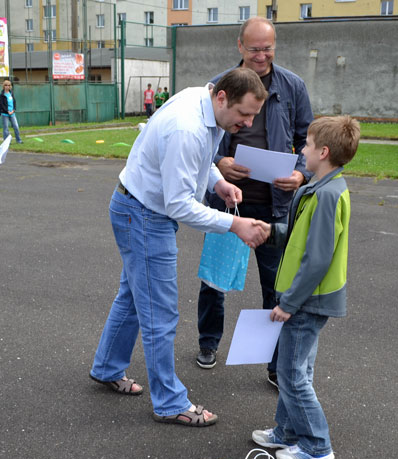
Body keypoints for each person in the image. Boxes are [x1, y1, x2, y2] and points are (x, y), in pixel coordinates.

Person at [90, 67, 270, 427]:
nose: (248, 123)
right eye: (244, 114)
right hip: (145, 216)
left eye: (253, 115)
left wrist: (217, 183)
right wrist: (235, 224)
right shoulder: (186, 127)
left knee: (133, 297)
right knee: (159, 313)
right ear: (222, 97)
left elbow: (202, 159)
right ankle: (169, 402)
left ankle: (107, 366)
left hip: (136, 207)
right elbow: (179, 205)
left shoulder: (205, 102)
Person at [195, 18, 314, 386]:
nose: (261, 56)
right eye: (254, 49)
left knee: (275, 286)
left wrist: (300, 175)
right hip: (228, 201)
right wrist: (220, 163)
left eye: (268, 48)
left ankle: (274, 364)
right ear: (239, 46)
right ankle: (208, 342)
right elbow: (204, 136)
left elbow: (307, 139)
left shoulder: (293, 86)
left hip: (274, 206)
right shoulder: (220, 84)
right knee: (215, 280)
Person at [251, 115, 360, 459]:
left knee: (292, 374)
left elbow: (317, 259)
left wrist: (289, 303)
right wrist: (272, 231)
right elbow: (302, 235)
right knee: (293, 370)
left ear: (323, 152)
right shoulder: (317, 188)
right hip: (303, 299)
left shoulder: (327, 195)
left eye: (308, 145)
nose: (302, 150)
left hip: (307, 302)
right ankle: (286, 431)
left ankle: (316, 444)